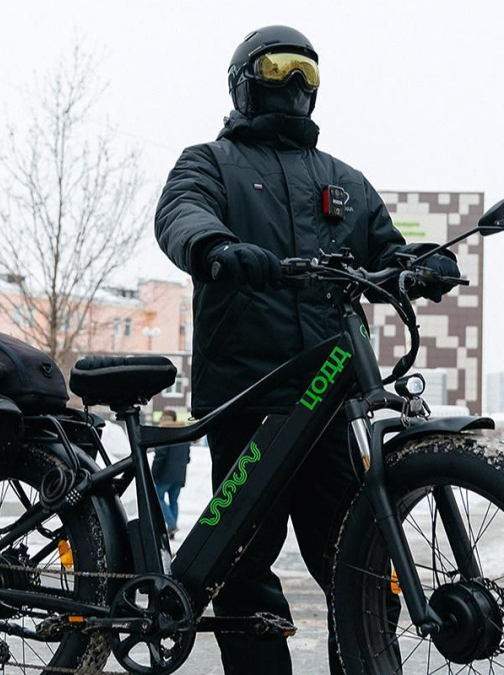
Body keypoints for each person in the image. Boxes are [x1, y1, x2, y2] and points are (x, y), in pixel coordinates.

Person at [153, 25, 460, 675]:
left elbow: (387, 248)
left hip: (328, 402)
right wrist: (214, 248)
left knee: (359, 558)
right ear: (244, 80)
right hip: (248, 393)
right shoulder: (209, 162)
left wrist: (419, 266)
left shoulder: (342, 180)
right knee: (243, 566)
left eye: (309, 73)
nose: (296, 83)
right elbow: (181, 213)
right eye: (281, 67)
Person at [151, 409, 191, 537]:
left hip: (165, 475)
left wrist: (153, 473)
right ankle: (171, 530)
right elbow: (188, 457)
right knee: (174, 501)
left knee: (159, 498)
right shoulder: (184, 433)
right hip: (179, 475)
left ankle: (172, 524)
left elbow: (160, 456)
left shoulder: (165, 433)